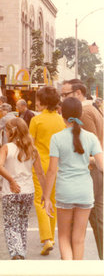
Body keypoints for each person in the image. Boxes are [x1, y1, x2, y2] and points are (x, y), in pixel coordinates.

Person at [43, 97, 103, 260]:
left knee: (63, 237)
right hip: (85, 191)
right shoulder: (91, 138)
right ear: (80, 114)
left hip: (65, 191)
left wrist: (46, 197)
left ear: (62, 113)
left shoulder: (57, 138)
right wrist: (89, 160)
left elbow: (51, 171)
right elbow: (102, 166)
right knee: (79, 239)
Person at [61, 79, 103, 259]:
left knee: (75, 225)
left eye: (66, 95)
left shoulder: (84, 112)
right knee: (97, 219)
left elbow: (89, 147)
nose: (63, 99)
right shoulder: (93, 108)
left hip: (89, 171)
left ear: (78, 93)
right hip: (95, 170)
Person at [0, 118, 45, 260]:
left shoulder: (7, 148)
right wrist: (45, 194)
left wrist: (11, 180)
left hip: (11, 192)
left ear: (12, 131)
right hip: (28, 191)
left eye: (6, 130)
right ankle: (21, 250)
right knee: (23, 223)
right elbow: (40, 173)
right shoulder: (32, 149)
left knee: (11, 224)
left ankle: (17, 253)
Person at [29, 86, 65, 255]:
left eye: (37, 100)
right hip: (56, 165)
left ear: (42, 102)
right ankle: (51, 235)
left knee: (40, 200)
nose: (36, 103)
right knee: (52, 200)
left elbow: (30, 145)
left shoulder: (36, 120)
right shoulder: (61, 120)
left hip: (40, 165)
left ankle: (47, 238)